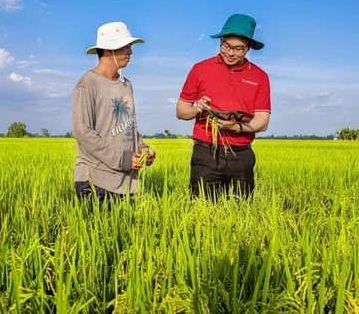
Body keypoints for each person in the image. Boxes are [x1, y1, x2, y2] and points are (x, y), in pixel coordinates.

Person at [176, 14, 271, 200]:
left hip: (241, 154)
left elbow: (263, 120)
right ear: (220, 41)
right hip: (206, 152)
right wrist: (197, 108)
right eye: (225, 46)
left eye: (238, 49)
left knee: (242, 211)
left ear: (248, 48)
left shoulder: (260, 76)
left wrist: (236, 127)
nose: (230, 53)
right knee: (201, 209)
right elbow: (181, 111)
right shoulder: (200, 69)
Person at [72, 21, 156, 207]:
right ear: (110, 50)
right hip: (96, 182)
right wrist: (123, 159)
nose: (130, 52)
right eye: (126, 47)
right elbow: (82, 130)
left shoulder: (126, 85)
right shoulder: (88, 83)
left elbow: (129, 127)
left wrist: (143, 148)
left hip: (126, 183)